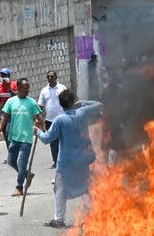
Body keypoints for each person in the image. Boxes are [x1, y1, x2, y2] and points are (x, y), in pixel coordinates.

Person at [36, 90, 103, 228]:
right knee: (86, 188)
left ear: (61, 104)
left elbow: (47, 139)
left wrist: (37, 132)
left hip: (66, 162)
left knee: (60, 189)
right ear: (73, 102)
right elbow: (100, 104)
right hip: (84, 159)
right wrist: (83, 103)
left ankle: (59, 219)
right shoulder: (83, 112)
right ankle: (91, 217)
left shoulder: (60, 119)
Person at [0, 78, 44, 197]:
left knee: (21, 163)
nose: (28, 89)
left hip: (26, 139)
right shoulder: (11, 101)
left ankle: (19, 186)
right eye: (25, 87)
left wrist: (44, 131)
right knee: (11, 161)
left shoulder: (31, 102)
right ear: (18, 88)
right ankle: (27, 174)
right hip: (13, 137)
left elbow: (40, 117)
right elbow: (5, 117)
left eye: (28, 87)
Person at [37, 70, 66, 169]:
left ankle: (64, 159)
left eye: (52, 76)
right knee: (53, 142)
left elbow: (67, 101)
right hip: (50, 120)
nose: (50, 78)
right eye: (48, 77)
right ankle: (55, 160)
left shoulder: (62, 88)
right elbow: (40, 106)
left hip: (62, 118)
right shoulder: (44, 90)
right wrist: (38, 119)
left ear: (56, 77)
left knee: (64, 140)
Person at [0, 68, 17, 147]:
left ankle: (13, 154)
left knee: (10, 133)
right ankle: (10, 154)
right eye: (1, 75)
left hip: (12, 113)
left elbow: (16, 96)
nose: (3, 77)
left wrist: (9, 87)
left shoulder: (14, 84)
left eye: (4, 75)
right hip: (2, 113)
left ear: (9, 76)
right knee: (6, 135)